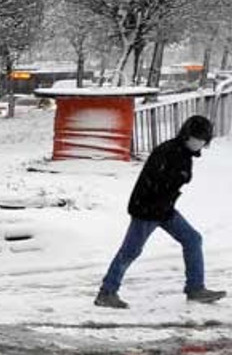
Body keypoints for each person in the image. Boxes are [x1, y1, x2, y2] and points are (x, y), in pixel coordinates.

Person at [96, 114, 224, 308]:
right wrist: (175, 180)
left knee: (193, 239)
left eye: (202, 140)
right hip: (147, 209)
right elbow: (155, 181)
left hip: (163, 209)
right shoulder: (169, 151)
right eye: (196, 138)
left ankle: (195, 289)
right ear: (186, 135)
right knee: (130, 251)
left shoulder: (183, 153)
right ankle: (107, 292)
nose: (199, 143)